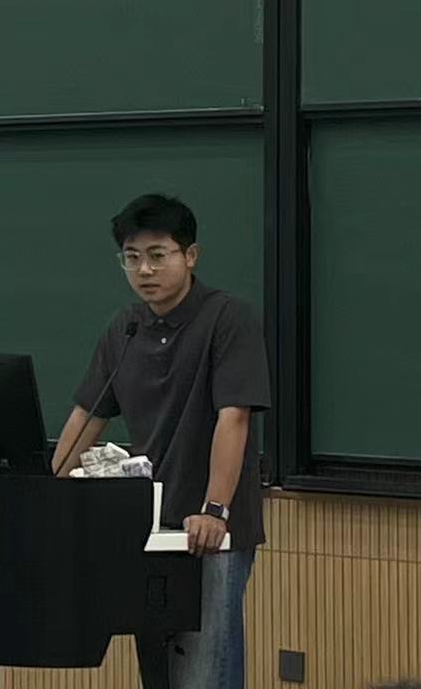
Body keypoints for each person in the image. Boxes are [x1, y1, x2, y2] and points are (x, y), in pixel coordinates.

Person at [52, 193, 271, 689]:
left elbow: (234, 418)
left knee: (204, 672)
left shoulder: (227, 318)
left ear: (190, 255)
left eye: (157, 255)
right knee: (157, 672)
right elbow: (89, 412)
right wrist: (56, 479)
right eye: (132, 257)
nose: (144, 270)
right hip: (146, 526)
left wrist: (214, 509)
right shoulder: (126, 327)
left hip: (211, 529)